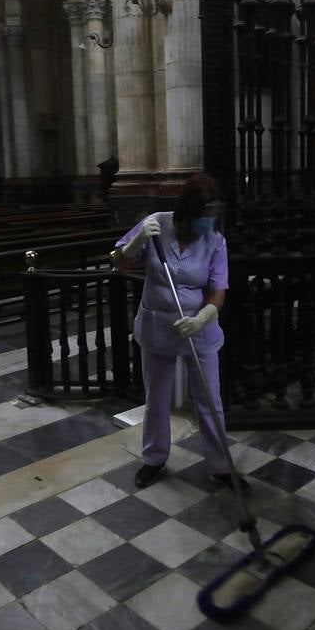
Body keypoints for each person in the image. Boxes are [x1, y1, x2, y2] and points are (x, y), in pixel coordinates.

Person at [113, 173, 246, 492]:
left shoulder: (215, 240)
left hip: (198, 329)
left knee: (209, 400)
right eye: (203, 217)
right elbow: (120, 262)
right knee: (157, 398)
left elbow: (218, 290)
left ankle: (220, 465)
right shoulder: (157, 224)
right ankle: (154, 458)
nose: (208, 224)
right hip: (158, 326)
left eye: (212, 217)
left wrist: (203, 317)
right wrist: (137, 241)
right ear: (187, 212)